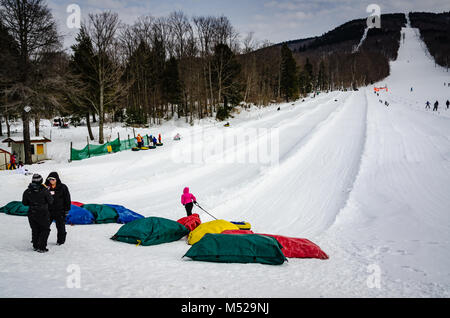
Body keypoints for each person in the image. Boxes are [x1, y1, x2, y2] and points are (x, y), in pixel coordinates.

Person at [22, 174, 53, 253]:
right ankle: (41, 247)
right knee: (45, 229)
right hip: (42, 213)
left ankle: (35, 245)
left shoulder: (27, 191)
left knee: (35, 229)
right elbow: (51, 201)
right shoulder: (44, 190)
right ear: (41, 181)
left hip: (32, 213)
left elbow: (24, 203)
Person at [45, 172, 71, 246]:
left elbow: (67, 199)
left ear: (56, 179)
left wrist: (67, 210)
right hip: (48, 211)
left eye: (53, 179)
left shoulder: (63, 187)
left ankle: (60, 241)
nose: (51, 181)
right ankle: (42, 240)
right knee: (45, 226)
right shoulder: (45, 187)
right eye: (49, 179)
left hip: (60, 211)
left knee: (60, 227)